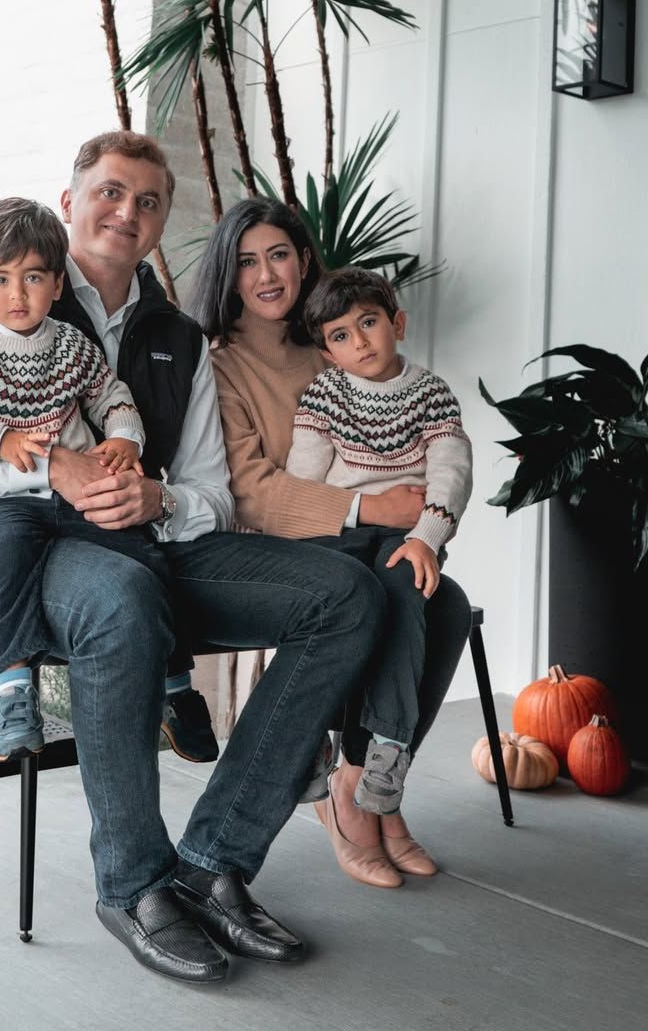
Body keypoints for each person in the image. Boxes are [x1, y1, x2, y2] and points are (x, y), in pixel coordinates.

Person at [0, 132, 387, 982]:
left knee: (345, 594)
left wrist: (160, 499)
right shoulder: (9, 291)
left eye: (149, 201)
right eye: (111, 192)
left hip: (138, 539)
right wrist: (54, 465)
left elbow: (212, 495)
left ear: (160, 225)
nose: (129, 212)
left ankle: (213, 860)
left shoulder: (177, 337)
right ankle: (133, 883)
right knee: (119, 596)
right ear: (71, 198)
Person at [188, 196, 472, 890]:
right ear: (229, 275)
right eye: (248, 261)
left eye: (279, 255)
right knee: (365, 595)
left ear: (304, 259)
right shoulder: (221, 366)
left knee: (449, 604)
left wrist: (421, 522)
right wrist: (370, 504)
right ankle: (349, 797)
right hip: (279, 542)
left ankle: (376, 783)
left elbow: (422, 445)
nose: (266, 275)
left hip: (372, 540)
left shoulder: (332, 340)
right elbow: (253, 489)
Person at [0, 196, 211, 760]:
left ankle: (176, 687)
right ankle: (13, 691)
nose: (17, 294)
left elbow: (112, 396)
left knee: (142, 555)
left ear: (56, 286)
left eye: (32, 278)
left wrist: (126, 437)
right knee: (4, 553)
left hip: (82, 495)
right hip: (11, 495)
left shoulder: (73, 346)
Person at [285, 268, 473, 815]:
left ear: (399, 323)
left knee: (403, 591)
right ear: (326, 352)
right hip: (338, 528)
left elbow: (451, 472)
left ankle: (388, 744)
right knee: (326, 600)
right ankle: (310, 737)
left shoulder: (431, 394)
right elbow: (304, 476)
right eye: (341, 335)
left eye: (368, 323)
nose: (360, 341)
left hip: (402, 534)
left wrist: (427, 540)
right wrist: (297, 537)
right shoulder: (324, 395)